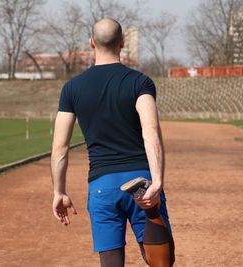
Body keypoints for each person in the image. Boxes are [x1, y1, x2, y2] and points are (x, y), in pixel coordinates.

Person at [50, 18, 175, 267]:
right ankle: (150, 210)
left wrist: (59, 191)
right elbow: (151, 131)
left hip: (101, 186)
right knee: (162, 263)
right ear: (122, 43)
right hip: (140, 183)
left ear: (91, 43)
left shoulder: (72, 88)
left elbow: (60, 148)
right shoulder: (140, 82)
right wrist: (158, 183)